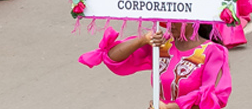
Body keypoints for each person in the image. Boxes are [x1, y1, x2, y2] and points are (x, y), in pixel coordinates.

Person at [79, 21, 233, 108]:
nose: (169, 24)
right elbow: (112, 57)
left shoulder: (213, 51)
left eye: (176, 19)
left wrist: (170, 107)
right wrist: (143, 40)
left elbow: (212, 97)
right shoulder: (163, 44)